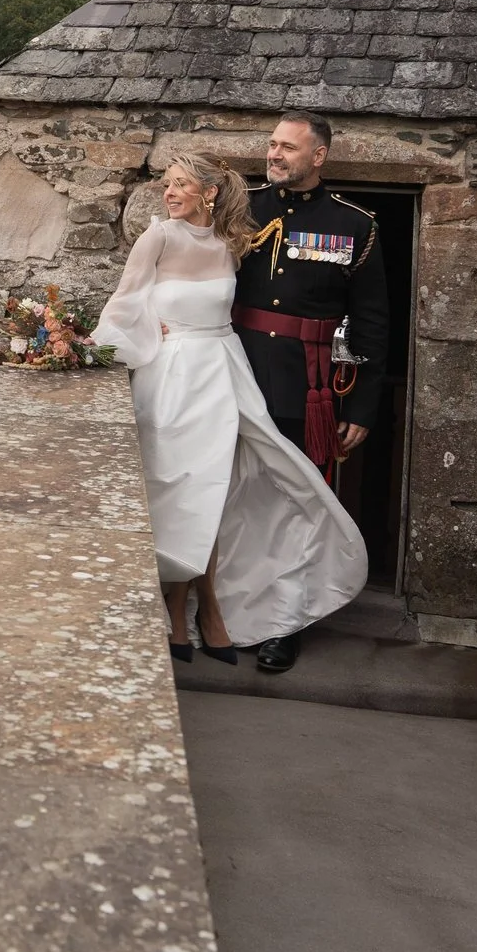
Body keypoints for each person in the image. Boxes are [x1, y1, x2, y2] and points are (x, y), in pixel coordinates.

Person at [92, 154, 367, 675]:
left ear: (210, 193)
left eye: (181, 185)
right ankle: (185, 614)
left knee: (216, 489)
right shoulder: (157, 237)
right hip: (171, 376)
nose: (169, 194)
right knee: (176, 488)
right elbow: (124, 307)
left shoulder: (232, 244)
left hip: (224, 371)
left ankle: (206, 609)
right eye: (167, 184)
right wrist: (145, 339)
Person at [232, 112, 392, 672]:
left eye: (288, 147)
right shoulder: (239, 207)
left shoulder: (354, 225)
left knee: (299, 504)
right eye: (272, 144)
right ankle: (231, 612)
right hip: (235, 372)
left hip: (310, 385)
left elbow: (372, 323)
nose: (274, 154)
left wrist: (363, 406)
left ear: (318, 156)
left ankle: (285, 624)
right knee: (238, 499)